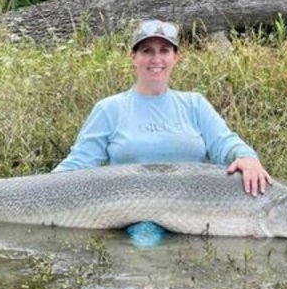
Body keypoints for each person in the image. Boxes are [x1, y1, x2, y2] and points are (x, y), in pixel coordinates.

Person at [53, 19, 272, 196]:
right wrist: (36, 188)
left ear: (175, 57)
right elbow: (79, 163)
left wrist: (247, 157)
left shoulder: (194, 104)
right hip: (131, 209)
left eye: (164, 50)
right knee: (145, 241)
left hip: (193, 205)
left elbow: (225, 143)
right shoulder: (109, 109)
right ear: (134, 57)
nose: (156, 59)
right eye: (147, 51)